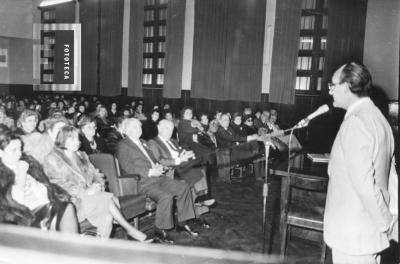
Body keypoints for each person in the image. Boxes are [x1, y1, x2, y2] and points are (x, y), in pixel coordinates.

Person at [324, 62, 398, 263]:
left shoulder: (356, 122)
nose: (330, 92)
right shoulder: (380, 119)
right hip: (369, 232)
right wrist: (392, 218)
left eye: (332, 86)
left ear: (347, 87)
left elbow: (365, 185)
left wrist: (386, 222)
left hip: (353, 235)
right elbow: (392, 177)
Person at [43, 126, 148, 241]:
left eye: (78, 139)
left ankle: (101, 249)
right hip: (73, 202)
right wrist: (85, 192)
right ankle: (129, 229)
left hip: (94, 198)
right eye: (72, 139)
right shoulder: (52, 158)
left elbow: (96, 175)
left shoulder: (82, 155)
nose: (77, 142)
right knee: (107, 200)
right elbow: (56, 184)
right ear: (62, 139)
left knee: (108, 217)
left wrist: (98, 185)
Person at [115, 118, 199, 244]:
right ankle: (160, 230)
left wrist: (158, 166)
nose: (138, 129)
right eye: (134, 127)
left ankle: (182, 222)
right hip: (141, 182)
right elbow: (127, 167)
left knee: (183, 187)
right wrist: (149, 172)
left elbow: (154, 160)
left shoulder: (143, 142)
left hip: (158, 177)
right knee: (166, 196)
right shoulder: (123, 145)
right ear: (126, 130)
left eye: (139, 127)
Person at [0, 125, 78, 233]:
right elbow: (15, 204)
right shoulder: (4, 175)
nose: (19, 154)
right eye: (14, 150)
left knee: (67, 206)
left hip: (45, 205)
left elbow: (46, 185)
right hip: (25, 216)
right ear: (1, 152)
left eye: (20, 148)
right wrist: (21, 174)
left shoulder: (28, 164)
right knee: (66, 209)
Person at [147, 120, 214, 228]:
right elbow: (160, 160)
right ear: (159, 128)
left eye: (172, 129)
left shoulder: (173, 141)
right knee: (194, 171)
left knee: (201, 166)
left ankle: (198, 209)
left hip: (181, 168)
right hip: (169, 171)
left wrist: (187, 154)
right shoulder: (153, 142)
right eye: (167, 128)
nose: (170, 131)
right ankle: (200, 201)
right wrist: (178, 160)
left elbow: (181, 151)